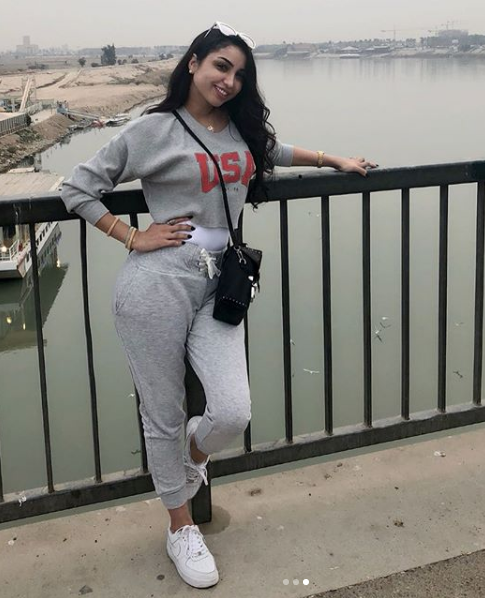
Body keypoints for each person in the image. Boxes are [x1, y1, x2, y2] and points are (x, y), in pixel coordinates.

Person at [61, 21, 377, 590]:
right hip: (157, 284)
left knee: (231, 411)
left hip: (220, 282)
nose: (228, 81)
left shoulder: (239, 130)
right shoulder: (153, 130)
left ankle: (192, 456)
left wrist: (334, 160)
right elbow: (78, 187)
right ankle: (180, 526)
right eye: (220, 67)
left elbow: (273, 151)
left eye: (239, 74)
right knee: (162, 414)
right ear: (194, 64)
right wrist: (132, 236)